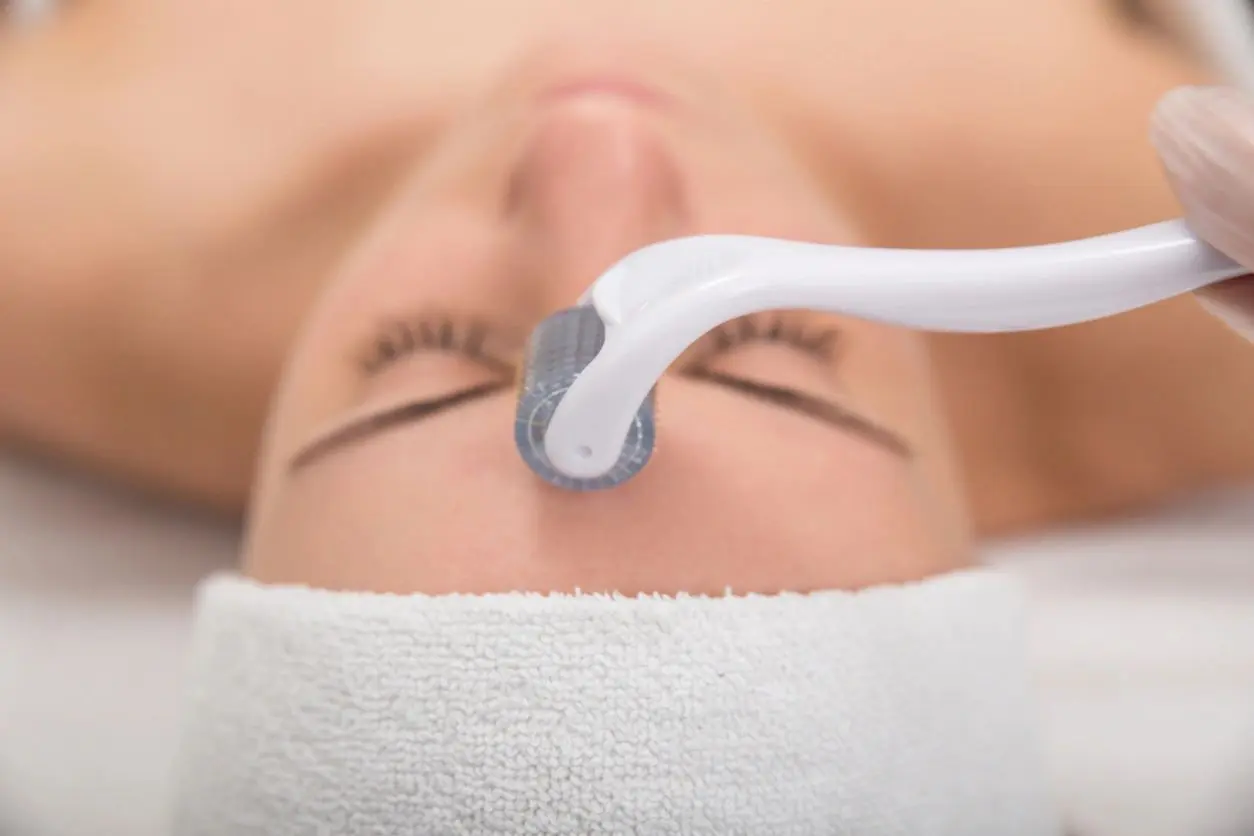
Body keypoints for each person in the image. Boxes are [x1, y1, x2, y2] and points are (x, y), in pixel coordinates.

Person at [1, 0, 1253, 831]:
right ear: (957, 509)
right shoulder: (1202, 313)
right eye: (770, 352)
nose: (592, 149)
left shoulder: (52, 229)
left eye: (420, 355)